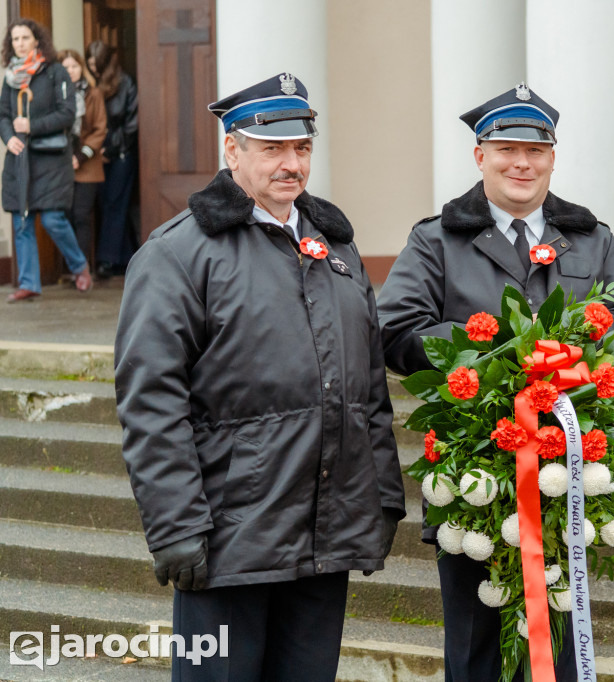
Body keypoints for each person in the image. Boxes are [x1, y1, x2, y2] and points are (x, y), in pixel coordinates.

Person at [115, 73, 406, 682]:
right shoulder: (179, 253)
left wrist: (381, 495)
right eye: (271, 148)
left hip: (326, 532)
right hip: (230, 538)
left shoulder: (337, 248)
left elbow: (369, 390)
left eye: (301, 148)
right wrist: (176, 524)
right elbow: (150, 401)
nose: (291, 163)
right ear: (233, 150)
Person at [377, 83, 614, 682]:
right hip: (476, 485)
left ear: (553, 158)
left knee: (560, 647)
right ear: (479, 156)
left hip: (571, 481)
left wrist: (575, 355)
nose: (521, 163)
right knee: (479, 650)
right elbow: (397, 331)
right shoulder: (437, 240)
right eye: (505, 148)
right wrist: (495, 357)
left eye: (535, 150)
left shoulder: (589, 238)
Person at [0, 19, 91, 302]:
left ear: (37, 40)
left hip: (51, 159)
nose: (20, 43)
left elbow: (67, 114)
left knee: (53, 219)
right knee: (22, 220)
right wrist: (8, 137)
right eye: (15, 39)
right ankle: (29, 283)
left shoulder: (56, 72)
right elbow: (3, 114)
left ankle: (79, 266)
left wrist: (32, 126)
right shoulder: (10, 77)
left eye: (25, 38)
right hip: (21, 157)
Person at [86, 40, 137, 278]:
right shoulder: (90, 85)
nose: (93, 69)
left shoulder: (126, 83)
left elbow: (132, 124)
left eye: (97, 65)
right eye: (90, 65)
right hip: (97, 154)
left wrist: (112, 150)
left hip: (121, 154)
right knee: (109, 204)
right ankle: (126, 258)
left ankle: (107, 259)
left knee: (115, 204)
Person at [58, 48, 106, 269]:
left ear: (82, 68)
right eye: (66, 67)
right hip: (60, 164)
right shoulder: (55, 95)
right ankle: (73, 266)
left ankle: (81, 268)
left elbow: (99, 129)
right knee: (63, 215)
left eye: (74, 66)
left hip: (88, 165)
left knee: (81, 215)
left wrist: (80, 157)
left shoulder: (93, 93)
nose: (70, 71)